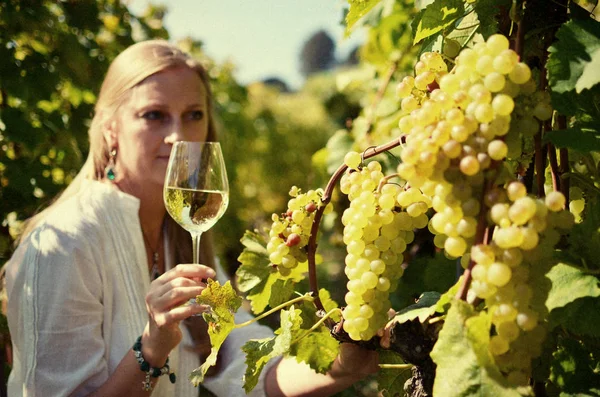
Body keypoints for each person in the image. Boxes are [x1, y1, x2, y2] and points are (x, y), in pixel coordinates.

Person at [4, 39, 379, 396]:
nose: (178, 136)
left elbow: (240, 368)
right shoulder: (62, 245)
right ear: (110, 127)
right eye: (154, 115)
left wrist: (344, 364)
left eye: (193, 115)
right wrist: (151, 349)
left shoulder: (186, 234)